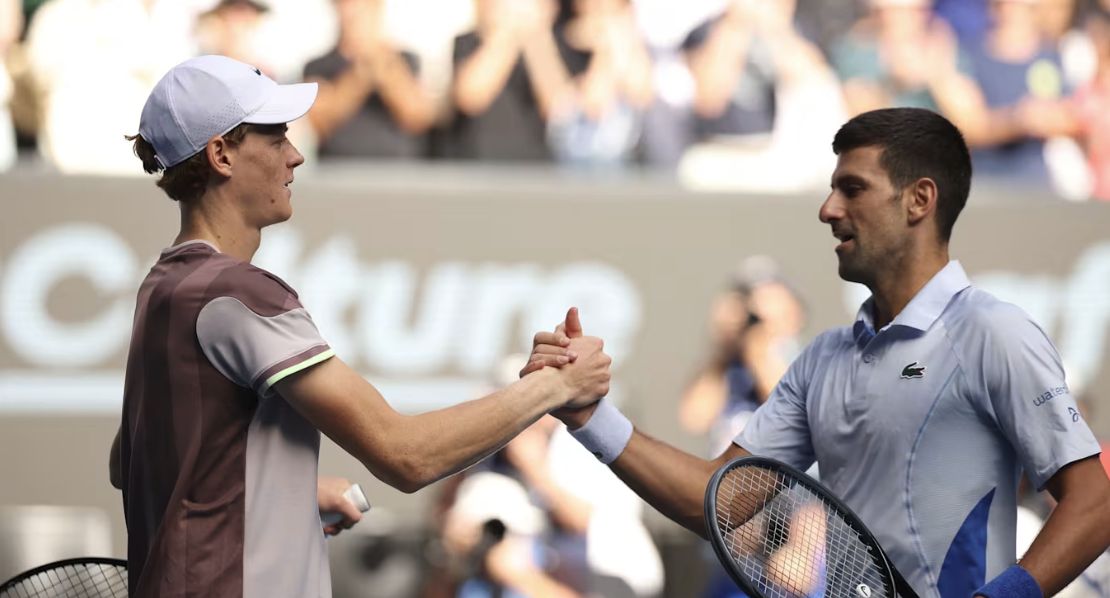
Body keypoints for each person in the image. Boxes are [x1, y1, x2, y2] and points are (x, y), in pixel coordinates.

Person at [525, 107, 1110, 597]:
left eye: (852, 188)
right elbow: (722, 502)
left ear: (919, 201)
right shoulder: (822, 359)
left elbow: (1095, 503)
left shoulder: (993, 333)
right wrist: (589, 416)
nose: (827, 209)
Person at [107, 54, 612, 597]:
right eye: (276, 139)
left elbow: (133, 463)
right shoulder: (238, 293)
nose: (295, 156)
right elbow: (405, 455)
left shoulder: (162, 288)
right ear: (221, 154)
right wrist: (553, 387)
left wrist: (284, 493)